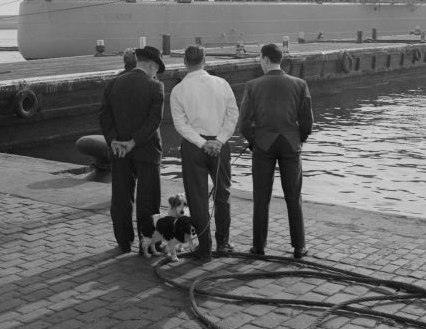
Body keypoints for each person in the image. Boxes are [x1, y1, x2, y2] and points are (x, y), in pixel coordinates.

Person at [238, 43, 313, 259]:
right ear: (280, 60)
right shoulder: (300, 84)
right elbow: (307, 121)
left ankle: (259, 246)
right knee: (293, 196)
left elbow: (244, 123)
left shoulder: (253, 85)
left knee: (261, 197)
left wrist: (254, 141)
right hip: (291, 145)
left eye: (260, 59)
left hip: (263, 145)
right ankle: (299, 247)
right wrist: (300, 139)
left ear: (265, 59)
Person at [170, 45, 239, 261]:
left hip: (193, 147)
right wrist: (219, 140)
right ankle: (224, 242)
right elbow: (232, 114)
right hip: (220, 146)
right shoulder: (222, 84)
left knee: (197, 198)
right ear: (205, 60)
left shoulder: (178, 90)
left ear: (184, 62)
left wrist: (201, 143)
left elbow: (180, 125)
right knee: (222, 194)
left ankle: (204, 247)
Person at [98, 45, 165, 254]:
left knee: (120, 197)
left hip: (119, 151)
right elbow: (154, 120)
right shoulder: (155, 87)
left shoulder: (113, 83)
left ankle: (124, 241)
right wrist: (134, 142)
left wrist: (114, 141)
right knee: (148, 198)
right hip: (147, 150)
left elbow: (104, 116)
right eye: (157, 69)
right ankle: (147, 242)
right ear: (152, 65)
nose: (156, 73)